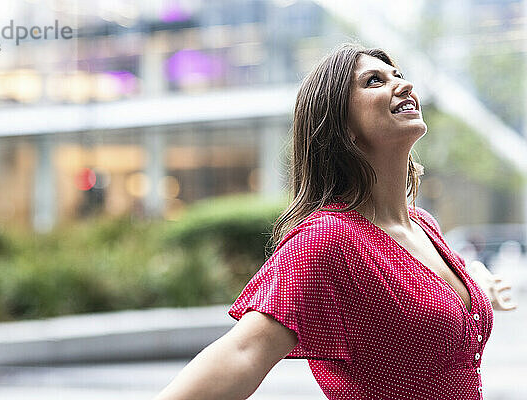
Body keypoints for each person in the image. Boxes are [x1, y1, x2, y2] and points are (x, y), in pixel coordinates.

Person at [153, 43, 516, 400]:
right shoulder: (328, 239)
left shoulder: (425, 227)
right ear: (343, 127)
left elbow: (419, 308)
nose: (403, 85)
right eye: (374, 81)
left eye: (399, 75)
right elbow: (244, 352)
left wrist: (476, 280)